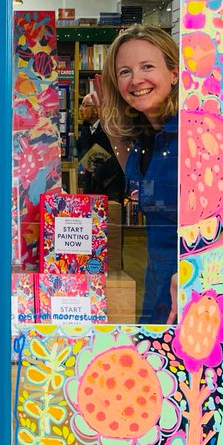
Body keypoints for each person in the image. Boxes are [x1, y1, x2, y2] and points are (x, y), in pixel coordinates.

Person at [87, 25, 179, 325]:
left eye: (147, 67)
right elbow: (138, 177)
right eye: (124, 71)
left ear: (174, 73)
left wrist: (195, 275)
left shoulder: (190, 136)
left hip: (189, 295)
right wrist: (107, 119)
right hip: (159, 290)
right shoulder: (149, 137)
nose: (136, 79)